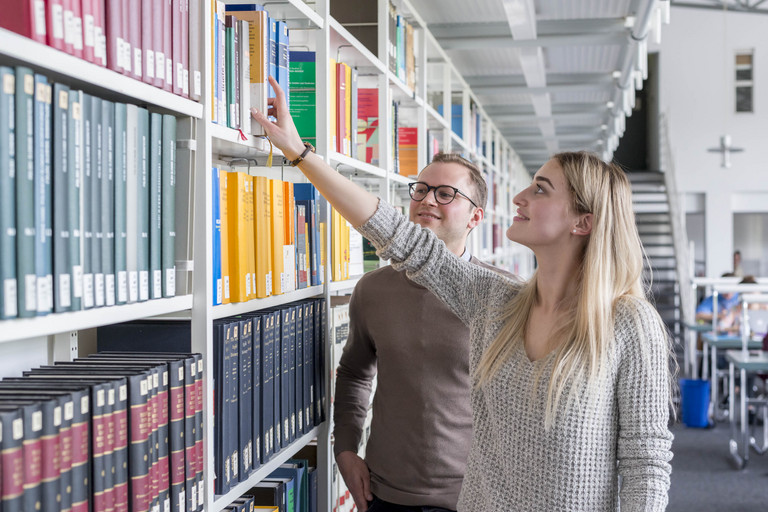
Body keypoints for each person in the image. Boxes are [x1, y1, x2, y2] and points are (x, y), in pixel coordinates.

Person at [253, 76, 673, 511]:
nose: (519, 196)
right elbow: (394, 234)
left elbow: (647, 464)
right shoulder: (496, 302)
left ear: (582, 222)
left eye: (541, 189)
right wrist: (299, 154)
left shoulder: (628, 324)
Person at [333, 152, 513, 512]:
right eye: (422, 189)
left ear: (476, 217)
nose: (428, 200)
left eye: (446, 193)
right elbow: (354, 373)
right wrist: (346, 449)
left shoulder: (506, 296)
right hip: (383, 496)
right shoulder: (372, 289)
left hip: (475, 498)